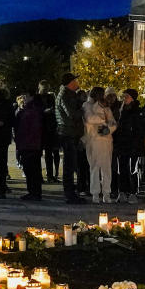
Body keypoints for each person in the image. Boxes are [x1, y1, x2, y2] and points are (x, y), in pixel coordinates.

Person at [81, 87, 117, 203]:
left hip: (106, 141)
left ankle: (106, 193)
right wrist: (104, 121)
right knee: (95, 168)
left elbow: (113, 122)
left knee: (107, 168)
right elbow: (90, 118)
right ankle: (95, 193)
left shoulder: (105, 106)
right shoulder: (87, 105)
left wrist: (109, 129)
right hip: (94, 140)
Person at [56, 73, 84, 204]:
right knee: (69, 165)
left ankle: (72, 192)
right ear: (70, 82)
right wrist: (83, 110)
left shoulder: (68, 94)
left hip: (71, 133)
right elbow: (71, 114)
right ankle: (69, 194)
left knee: (72, 164)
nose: (77, 82)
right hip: (68, 133)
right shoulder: (65, 95)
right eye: (75, 80)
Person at [113, 89, 144, 202]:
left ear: (132, 98)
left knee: (132, 169)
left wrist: (137, 145)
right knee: (121, 169)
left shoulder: (136, 112)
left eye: (126, 96)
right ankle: (122, 192)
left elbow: (138, 131)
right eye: (123, 96)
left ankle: (133, 192)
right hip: (122, 144)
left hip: (132, 145)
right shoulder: (122, 111)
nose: (124, 99)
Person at [13, 91, 44, 201]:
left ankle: (34, 192)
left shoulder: (31, 110)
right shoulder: (29, 109)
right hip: (30, 143)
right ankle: (34, 192)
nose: (24, 98)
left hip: (29, 143)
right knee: (32, 169)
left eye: (26, 96)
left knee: (31, 169)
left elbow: (28, 128)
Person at [38, 81, 60, 183]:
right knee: (38, 154)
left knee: (49, 154)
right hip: (40, 128)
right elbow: (35, 112)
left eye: (47, 89)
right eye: (44, 89)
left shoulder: (51, 97)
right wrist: (44, 112)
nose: (46, 91)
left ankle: (50, 176)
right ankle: (39, 176)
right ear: (40, 88)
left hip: (50, 128)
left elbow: (55, 110)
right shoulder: (36, 98)